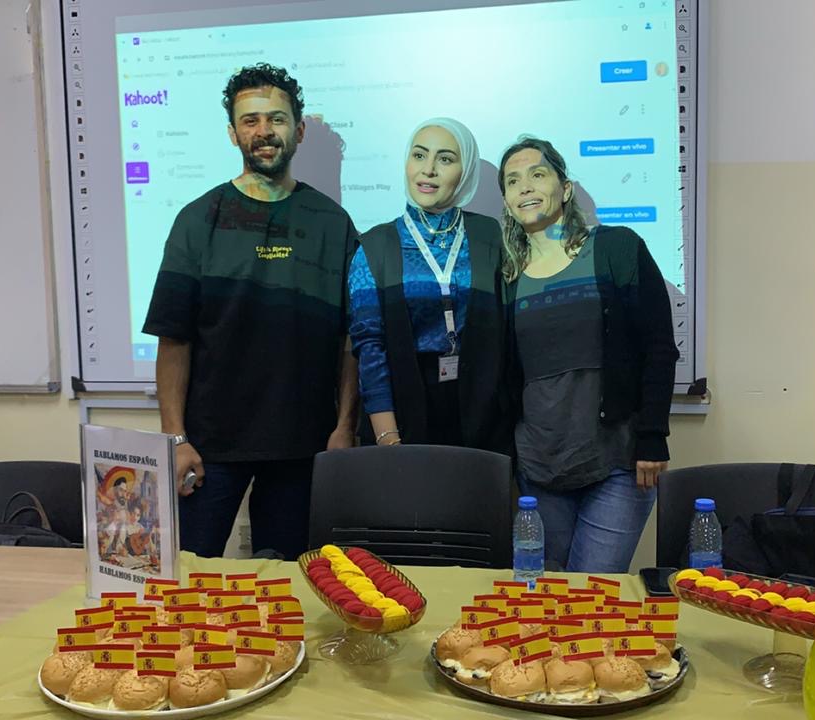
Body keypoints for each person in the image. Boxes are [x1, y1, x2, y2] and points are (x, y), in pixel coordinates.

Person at [142, 63, 359, 560]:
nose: (264, 131)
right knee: (188, 575)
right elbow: (173, 339)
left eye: (277, 119)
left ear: (298, 131)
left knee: (289, 583)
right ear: (233, 133)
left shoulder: (333, 223)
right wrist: (175, 438)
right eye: (251, 120)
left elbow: (350, 340)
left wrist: (344, 427)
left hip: (304, 447)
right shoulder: (197, 220)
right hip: (210, 447)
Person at [498, 137, 678, 572]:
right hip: (538, 467)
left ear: (565, 188)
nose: (525, 187)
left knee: (592, 593)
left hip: (617, 462)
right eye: (513, 181)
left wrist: (653, 434)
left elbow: (658, 346)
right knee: (549, 594)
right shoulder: (504, 276)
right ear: (506, 201)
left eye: (537, 174)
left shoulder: (617, 248)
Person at [347, 118, 510, 451]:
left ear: (465, 171)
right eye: (419, 155)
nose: (429, 170)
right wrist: (388, 437)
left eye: (445, 159)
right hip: (403, 411)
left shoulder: (491, 236)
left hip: (483, 412)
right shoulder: (375, 246)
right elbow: (369, 346)